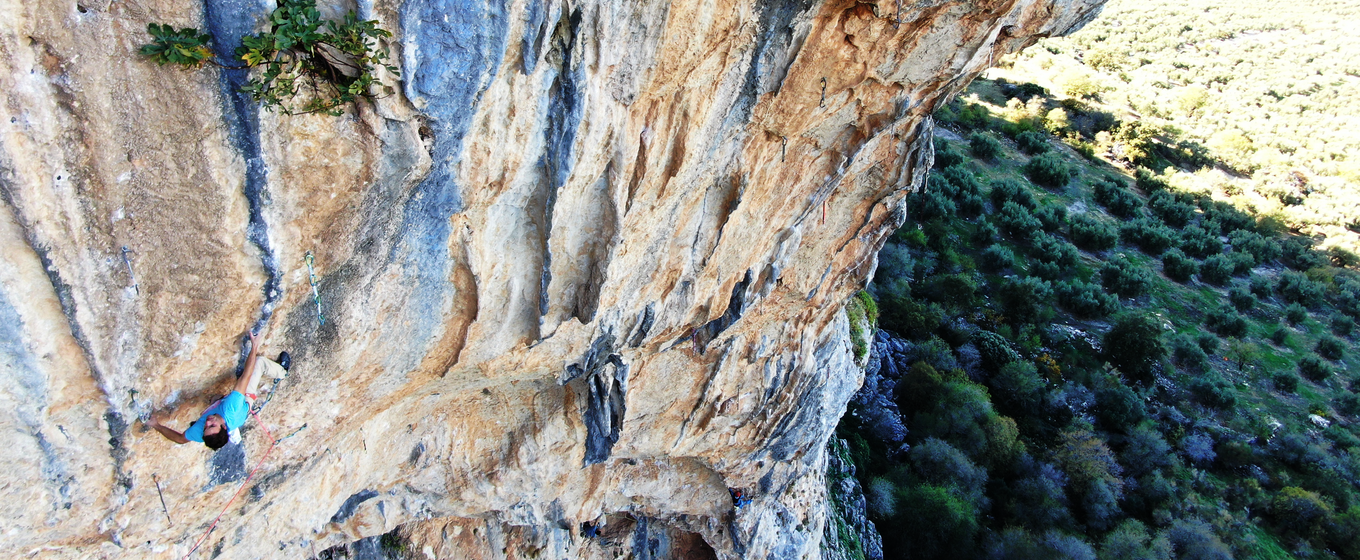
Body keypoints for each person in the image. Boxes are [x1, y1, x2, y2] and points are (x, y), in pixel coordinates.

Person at [149, 330, 288, 450]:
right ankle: (282, 372)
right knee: (259, 362)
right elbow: (245, 377)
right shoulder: (231, 408)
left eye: (206, 427)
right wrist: (255, 346)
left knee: (215, 399)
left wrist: (156, 425)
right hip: (245, 401)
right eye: (213, 425)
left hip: (227, 410)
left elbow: (180, 439)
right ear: (224, 427)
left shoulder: (200, 432)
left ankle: (220, 405)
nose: (207, 422)